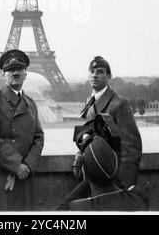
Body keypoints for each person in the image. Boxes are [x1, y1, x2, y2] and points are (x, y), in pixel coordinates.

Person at [58, 55, 142, 209]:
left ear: (109, 76)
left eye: (100, 71)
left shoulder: (119, 104)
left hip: (111, 184)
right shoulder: (90, 102)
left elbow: (131, 149)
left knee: (66, 206)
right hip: (92, 177)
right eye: (91, 71)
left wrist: (125, 187)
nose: (94, 75)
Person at [0, 49, 44, 211]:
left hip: (22, 175)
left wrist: (25, 166)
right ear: (3, 74)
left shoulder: (30, 103)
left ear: (25, 74)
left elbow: (38, 138)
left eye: (19, 69)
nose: (15, 73)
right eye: (10, 70)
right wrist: (15, 165)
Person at [70, 135, 148, 211]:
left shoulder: (79, 208)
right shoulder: (139, 201)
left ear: (84, 172)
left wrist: (82, 171)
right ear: (115, 165)